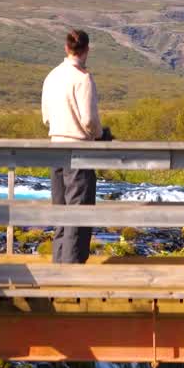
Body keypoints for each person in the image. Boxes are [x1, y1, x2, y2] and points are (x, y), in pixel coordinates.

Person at [40, 29, 108, 263]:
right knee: (78, 215)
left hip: (54, 147)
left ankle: (58, 266)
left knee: (60, 213)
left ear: (66, 48)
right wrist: (99, 135)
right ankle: (71, 273)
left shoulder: (52, 76)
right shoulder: (83, 78)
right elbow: (89, 119)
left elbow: (46, 116)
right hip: (78, 150)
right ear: (87, 50)